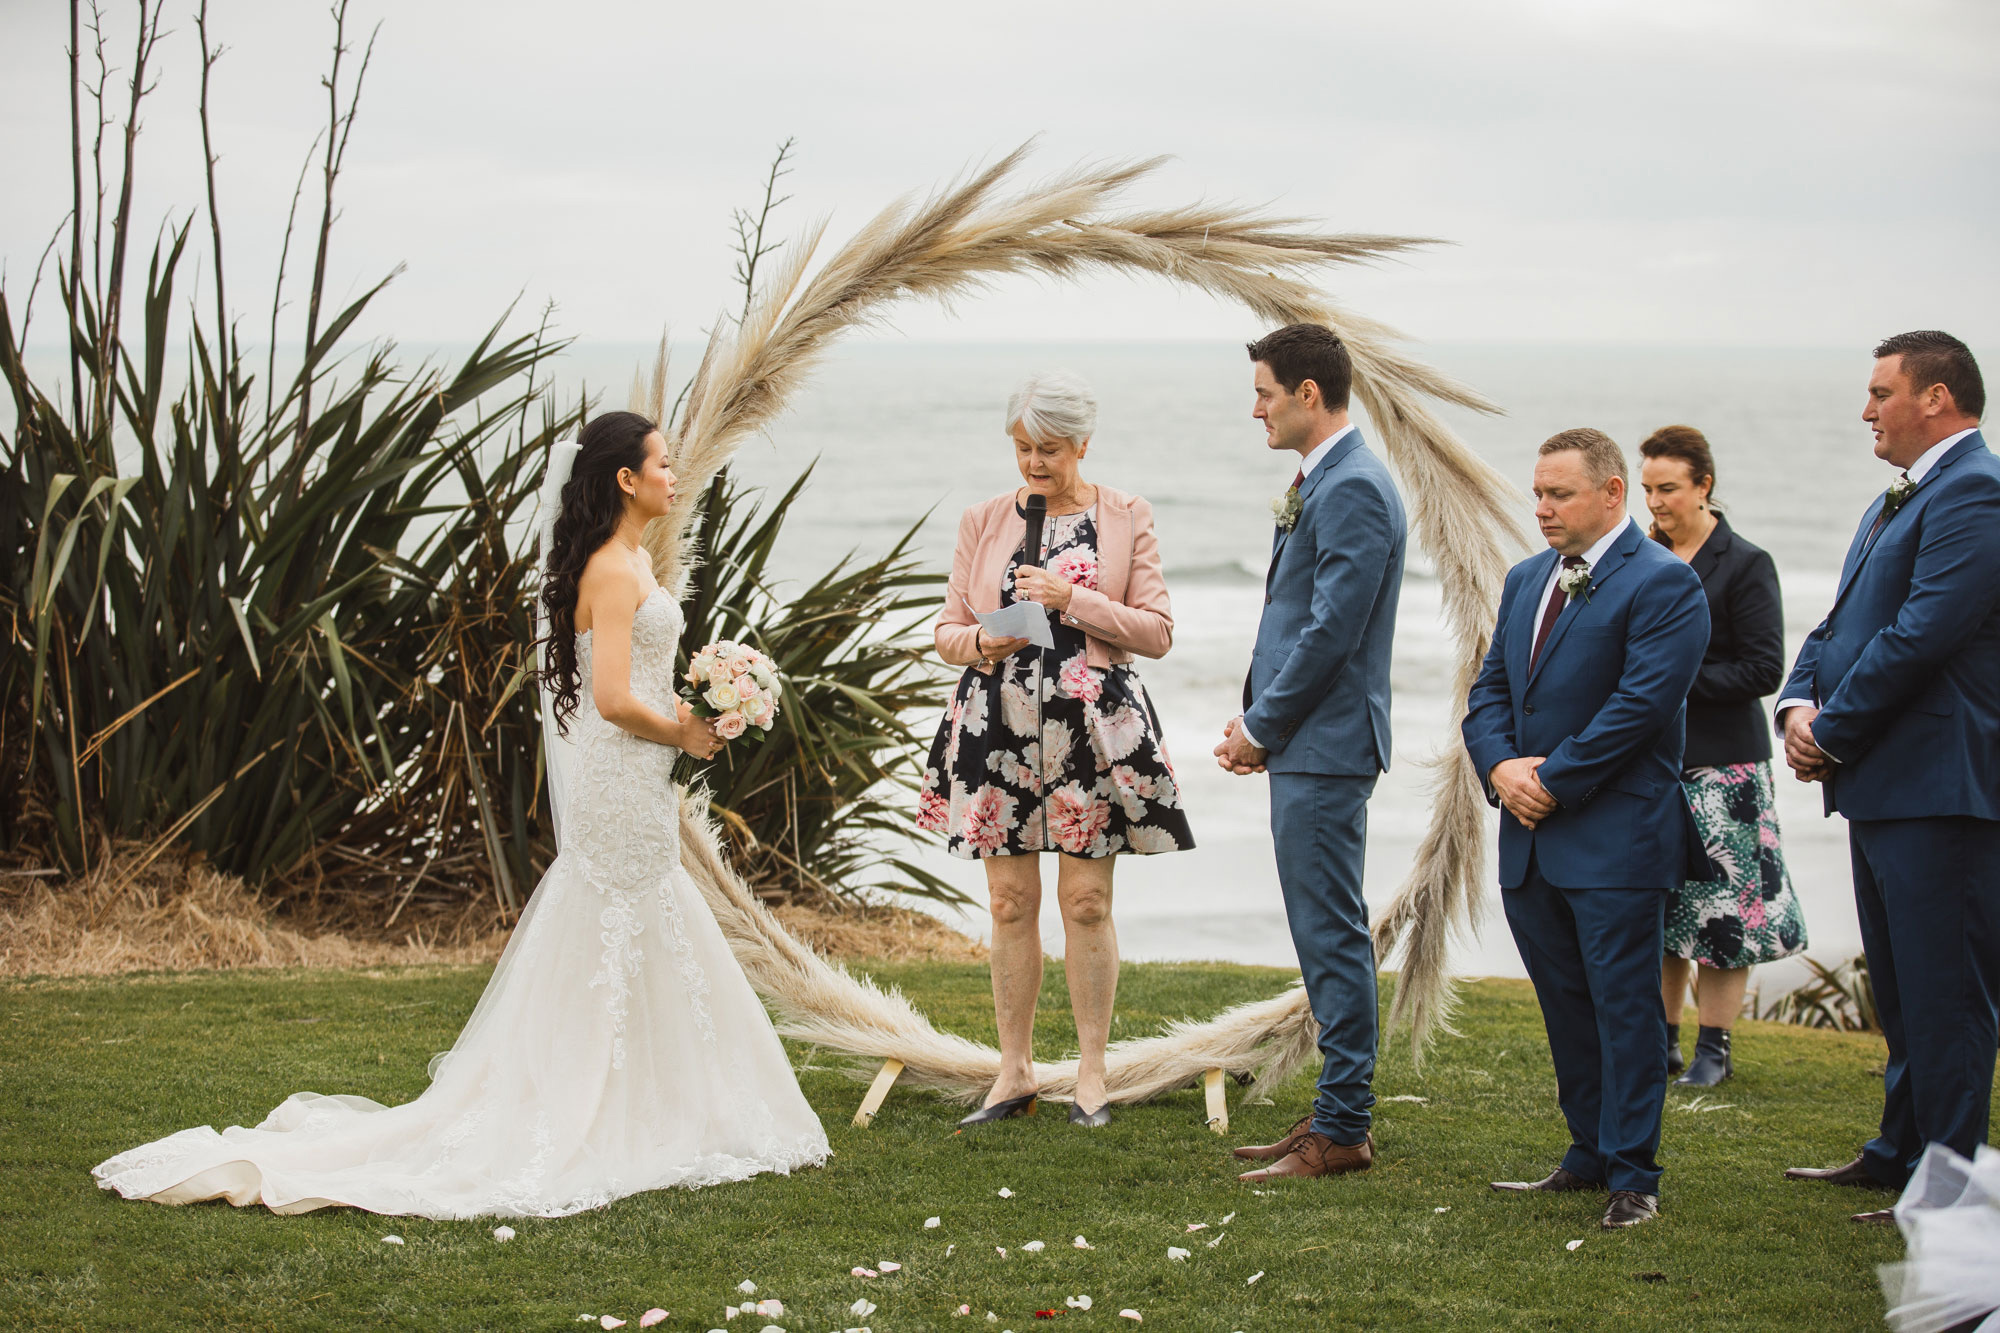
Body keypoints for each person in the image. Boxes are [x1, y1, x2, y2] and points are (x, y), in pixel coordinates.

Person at [93, 411, 831, 1218]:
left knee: (639, 924)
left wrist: (705, 700)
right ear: (625, 479)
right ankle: (605, 1110)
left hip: (633, 782)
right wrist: (686, 729)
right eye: (661, 463)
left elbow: (628, 683)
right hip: (623, 780)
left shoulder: (626, 561)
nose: (672, 475)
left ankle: (643, 1102)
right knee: (625, 918)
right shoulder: (615, 572)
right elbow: (616, 699)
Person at [919, 371, 1191, 1128]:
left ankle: (1093, 1074)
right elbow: (945, 631)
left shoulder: (1126, 514)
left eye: (1049, 450)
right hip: (996, 724)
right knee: (1008, 902)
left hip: (1091, 729)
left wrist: (1075, 602)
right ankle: (1014, 1072)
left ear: (1082, 445)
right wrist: (982, 639)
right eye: (1022, 448)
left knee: (1086, 900)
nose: (1033, 464)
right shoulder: (982, 518)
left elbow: (1158, 632)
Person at [1463, 427, 1711, 1230]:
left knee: (1625, 1006)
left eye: (1559, 493)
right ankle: (1586, 1152)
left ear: (1613, 494)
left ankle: (1635, 1173)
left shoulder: (1666, 584)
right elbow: (1489, 692)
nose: (1541, 508)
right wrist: (1502, 769)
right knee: (1565, 1003)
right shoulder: (1527, 576)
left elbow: (1640, 708)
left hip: (1616, 838)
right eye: (1537, 492)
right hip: (1530, 837)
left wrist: (1552, 781)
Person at [1778, 331, 2000, 1225]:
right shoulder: (1896, 500)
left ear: (1937, 399)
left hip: (1941, 784)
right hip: (1886, 781)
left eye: (1880, 392)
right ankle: (1896, 1152)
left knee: (1947, 994)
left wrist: (1832, 728)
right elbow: (1840, 625)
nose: (1865, 409)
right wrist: (1796, 701)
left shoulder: (1976, 494)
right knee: (1906, 988)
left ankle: (1949, 1191)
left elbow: (1922, 634)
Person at [1212, 324, 1408, 1182]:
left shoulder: (1354, 486)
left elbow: (1334, 630)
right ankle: (1335, 1114)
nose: (1255, 407)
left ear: (1307, 394)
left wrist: (1262, 727)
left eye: (1264, 391)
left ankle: (1343, 1128)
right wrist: (1258, 719)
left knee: (1330, 934)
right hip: (1312, 743)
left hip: (1326, 746)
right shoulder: (1327, 480)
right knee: (1322, 927)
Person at [1638, 425, 1807, 1086]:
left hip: (1726, 767)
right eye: (1648, 488)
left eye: (1669, 488)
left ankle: (1716, 1047)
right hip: (1651, 763)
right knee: (1659, 907)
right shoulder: (1636, 558)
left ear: (1703, 485)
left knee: (1723, 910)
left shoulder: (1744, 562)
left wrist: (1670, 680)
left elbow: (1765, 667)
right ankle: (1662, 1041)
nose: (1655, 502)